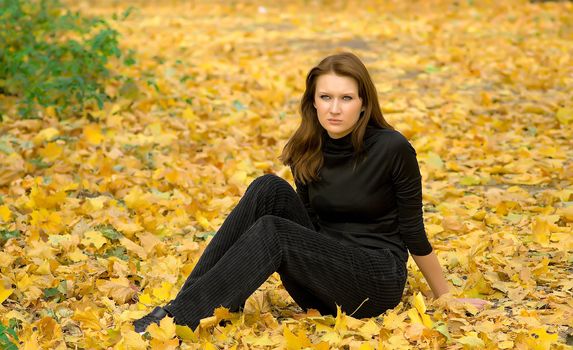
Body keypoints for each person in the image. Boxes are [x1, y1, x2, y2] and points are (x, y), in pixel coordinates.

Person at [133, 52, 485, 334]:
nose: (335, 108)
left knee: (275, 231)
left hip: (374, 281)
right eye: (326, 97)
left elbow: (412, 231)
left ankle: (177, 321)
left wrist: (446, 296)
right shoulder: (307, 148)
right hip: (320, 279)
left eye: (346, 98)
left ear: (364, 103)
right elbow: (307, 225)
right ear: (313, 102)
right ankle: (185, 308)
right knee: (267, 188)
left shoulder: (392, 148)